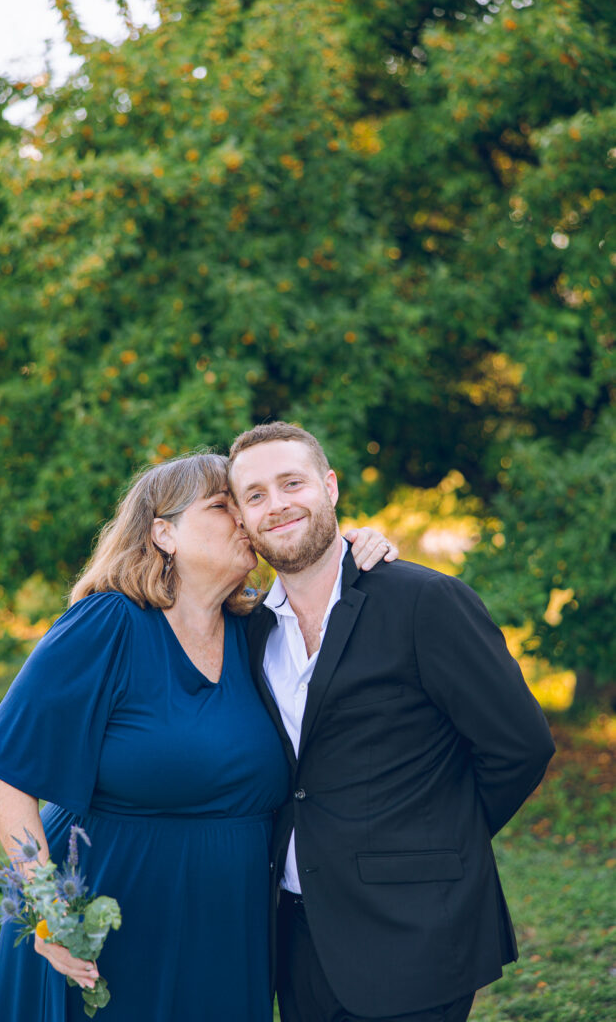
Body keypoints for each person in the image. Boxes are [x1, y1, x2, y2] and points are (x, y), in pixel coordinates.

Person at [0, 452, 396, 1022]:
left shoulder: (260, 632)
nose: (245, 520)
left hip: (230, 927)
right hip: (111, 917)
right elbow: (3, 766)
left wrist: (358, 552)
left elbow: (334, 608)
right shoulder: (109, 624)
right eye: (224, 506)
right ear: (163, 532)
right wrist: (49, 909)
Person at [227, 422, 556, 1022]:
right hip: (296, 938)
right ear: (242, 520)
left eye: (291, 482)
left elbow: (521, 746)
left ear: (329, 487)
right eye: (254, 495)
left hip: (417, 929)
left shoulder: (423, 602)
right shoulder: (248, 630)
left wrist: (438, 838)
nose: (275, 505)